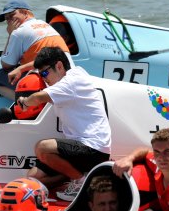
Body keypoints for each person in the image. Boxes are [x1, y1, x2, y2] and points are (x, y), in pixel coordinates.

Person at [17, 47, 111, 201]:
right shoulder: (70, 70)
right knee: (32, 180)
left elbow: (38, 98)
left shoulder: (71, 82)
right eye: (40, 74)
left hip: (94, 148)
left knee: (42, 148)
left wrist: (25, 102)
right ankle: (82, 177)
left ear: (59, 66)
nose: (43, 78)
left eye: (45, 73)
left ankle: (81, 182)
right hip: (79, 149)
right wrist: (22, 68)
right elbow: (61, 54)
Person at [0, 0, 70, 100]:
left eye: (12, 16)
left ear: (25, 13)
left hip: (47, 76)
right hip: (66, 73)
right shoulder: (46, 25)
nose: (9, 21)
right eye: (7, 19)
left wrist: (11, 35)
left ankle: (22, 104)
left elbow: (6, 65)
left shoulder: (18, 32)